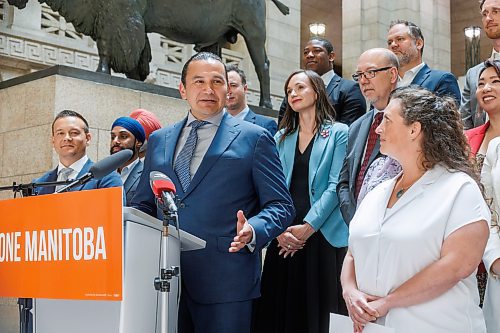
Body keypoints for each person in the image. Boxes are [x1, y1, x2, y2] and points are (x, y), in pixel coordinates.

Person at [131, 52, 295, 333]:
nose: (208, 89)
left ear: (227, 89)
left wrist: (253, 230)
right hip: (164, 282)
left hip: (226, 283)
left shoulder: (254, 137)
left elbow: (281, 204)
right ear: (183, 89)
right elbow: (143, 205)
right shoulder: (159, 140)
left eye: (217, 81)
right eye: (198, 81)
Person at [341, 86, 490, 333]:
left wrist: (388, 302)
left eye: (387, 120)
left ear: (414, 129)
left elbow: (456, 266)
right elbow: (353, 252)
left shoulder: (459, 188)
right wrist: (350, 291)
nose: (378, 129)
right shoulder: (379, 191)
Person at [253, 70, 348, 333]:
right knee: (279, 309)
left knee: (319, 312)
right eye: (289, 91)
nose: (293, 94)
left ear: (316, 92)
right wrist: (280, 230)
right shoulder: (280, 137)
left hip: (321, 233)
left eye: (299, 88)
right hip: (283, 233)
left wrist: (308, 227)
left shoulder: (339, 132)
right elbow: (268, 187)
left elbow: (335, 185)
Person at [337, 48, 400, 224]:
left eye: (370, 73)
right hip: (357, 227)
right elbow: (344, 182)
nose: (363, 81)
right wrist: (355, 219)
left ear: (392, 74)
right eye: (359, 75)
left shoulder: (410, 120)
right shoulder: (356, 126)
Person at [465, 59, 500, 332]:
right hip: (472, 251)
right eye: (481, 83)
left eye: (495, 81)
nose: (486, 88)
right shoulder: (466, 138)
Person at [278, 37, 366, 126]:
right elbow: (283, 127)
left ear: (331, 56)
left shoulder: (350, 89)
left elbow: (351, 131)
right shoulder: (293, 92)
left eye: (316, 51)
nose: (309, 55)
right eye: (306, 52)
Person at [34, 110, 122, 195]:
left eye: (74, 133)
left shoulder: (107, 178)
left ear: (87, 138)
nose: (67, 138)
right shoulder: (38, 185)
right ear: (53, 141)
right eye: (60, 133)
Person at [387, 20, 461, 104]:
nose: (393, 45)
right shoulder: (385, 84)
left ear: (418, 43)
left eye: (400, 39)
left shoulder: (442, 80)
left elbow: (449, 116)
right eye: (389, 42)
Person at [461, 0, 500, 129]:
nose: (489, 18)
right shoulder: (473, 74)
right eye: (484, 14)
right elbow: (465, 126)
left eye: (496, 11)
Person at [226, 64, 277, 135]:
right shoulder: (214, 125)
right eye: (225, 86)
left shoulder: (266, 125)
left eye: (233, 85)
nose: (228, 91)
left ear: (245, 88)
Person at [110, 116, 146, 206]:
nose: (115, 141)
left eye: (123, 136)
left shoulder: (146, 174)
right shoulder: (103, 174)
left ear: (138, 142)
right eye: (112, 137)